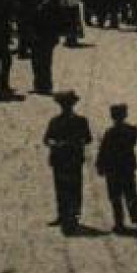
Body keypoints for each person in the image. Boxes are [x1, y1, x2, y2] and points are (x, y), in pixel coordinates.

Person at [43, 90, 92, 234]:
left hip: (68, 158)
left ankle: (72, 216)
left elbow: (87, 139)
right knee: (67, 187)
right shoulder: (73, 120)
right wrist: (57, 144)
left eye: (68, 104)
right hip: (65, 158)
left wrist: (73, 142)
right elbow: (47, 139)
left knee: (69, 187)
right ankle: (65, 216)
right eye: (65, 104)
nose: (66, 107)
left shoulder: (76, 121)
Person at [96, 103, 137, 235]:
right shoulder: (132, 130)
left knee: (116, 197)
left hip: (113, 169)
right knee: (131, 196)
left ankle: (119, 223)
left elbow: (103, 150)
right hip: (126, 168)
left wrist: (100, 165)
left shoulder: (110, 132)